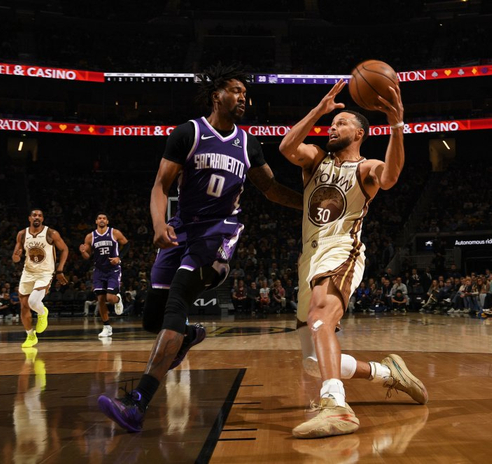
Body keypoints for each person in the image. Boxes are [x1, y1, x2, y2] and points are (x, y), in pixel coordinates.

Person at [98, 63, 302, 432]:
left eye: (246, 93)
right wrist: (158, 224)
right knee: (153, 320)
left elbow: (271, 189)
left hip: (219, 232)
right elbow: (160, 186)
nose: (243, 98)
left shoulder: (248, 144)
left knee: (178, 298)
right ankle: (188, 336)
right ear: (216, 96)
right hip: (181, 230)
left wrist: (310, 204)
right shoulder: (188, 133)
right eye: (236, 91)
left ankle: (137, 403)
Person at [279, 79, 427, 439]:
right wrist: (320, 109)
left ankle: (337, 407)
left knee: (320, 317)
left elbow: (390, 177)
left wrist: (397, 125)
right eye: (331, 124)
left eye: (341, 123)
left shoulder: (366, 168)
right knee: (313, 361)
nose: (332, 128)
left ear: (359, 133)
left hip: (342, 250)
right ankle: (387, 373)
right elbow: (286, 147)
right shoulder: (315, 160)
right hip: (309, 257)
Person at [12, 209, 69, 348]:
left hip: (45, 273)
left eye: (39, 215)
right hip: (28, 272)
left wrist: (60, 269)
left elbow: (65, 249)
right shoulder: (22, 234)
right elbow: (15, 258)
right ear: (29, 218)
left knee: (33, 301)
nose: (36, 217)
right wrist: (17, 256)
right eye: (34, 215)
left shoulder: (51, 233)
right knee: (24, 306)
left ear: (42, 219)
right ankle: (30, 336)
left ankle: (42, 312)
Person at [79, 213, 129, 338]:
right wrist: (83, 252)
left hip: (113, 269)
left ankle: (118, 299)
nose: (102, 220)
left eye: (104, 218)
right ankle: (107, 327)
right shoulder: (90, 236)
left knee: (110, 298)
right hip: (99, 270)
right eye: (99, 218)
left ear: (107, 221)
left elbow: (127, 244)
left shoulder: (114, 233)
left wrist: (119, 258)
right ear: (96, 221)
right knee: (100, 299)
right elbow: (87, 256)